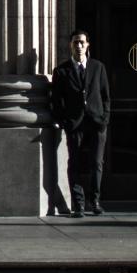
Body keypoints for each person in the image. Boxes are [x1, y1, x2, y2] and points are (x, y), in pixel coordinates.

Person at [49, 30, 111, 218]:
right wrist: (64, 121)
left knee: (96, 163)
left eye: (82, 42)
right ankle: (79, 205)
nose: (79, 46)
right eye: (76, 42)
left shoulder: (98, 67)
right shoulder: (61, 71)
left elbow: (105, 96)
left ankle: (95, 201)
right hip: (75, 123)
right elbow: (57, 100)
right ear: (71, 45)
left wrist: (104, 119)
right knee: (74, 163)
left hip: (96, 122)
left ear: (88, 44)